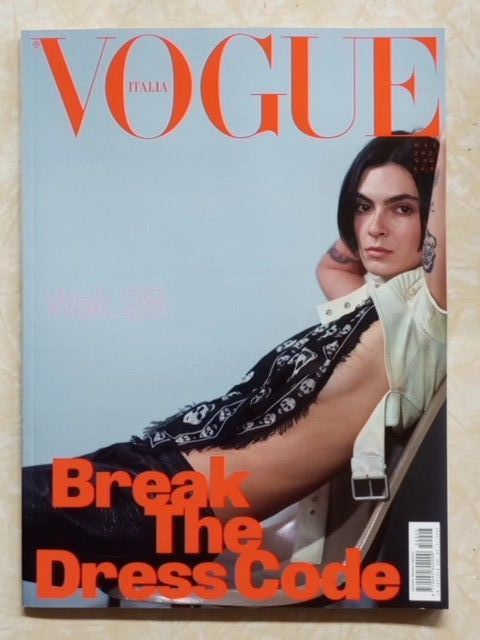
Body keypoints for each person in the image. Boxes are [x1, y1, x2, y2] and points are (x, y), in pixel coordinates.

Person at [22, 134, 446, 584]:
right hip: (143, 470)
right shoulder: (367, 302)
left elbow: (455, 179)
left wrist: (426, 158)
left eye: (403, 209)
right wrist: (379, 209)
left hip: (173, 507)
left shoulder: (423, 322)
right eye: (363, 206)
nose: (375, 227)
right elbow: (335, 265)